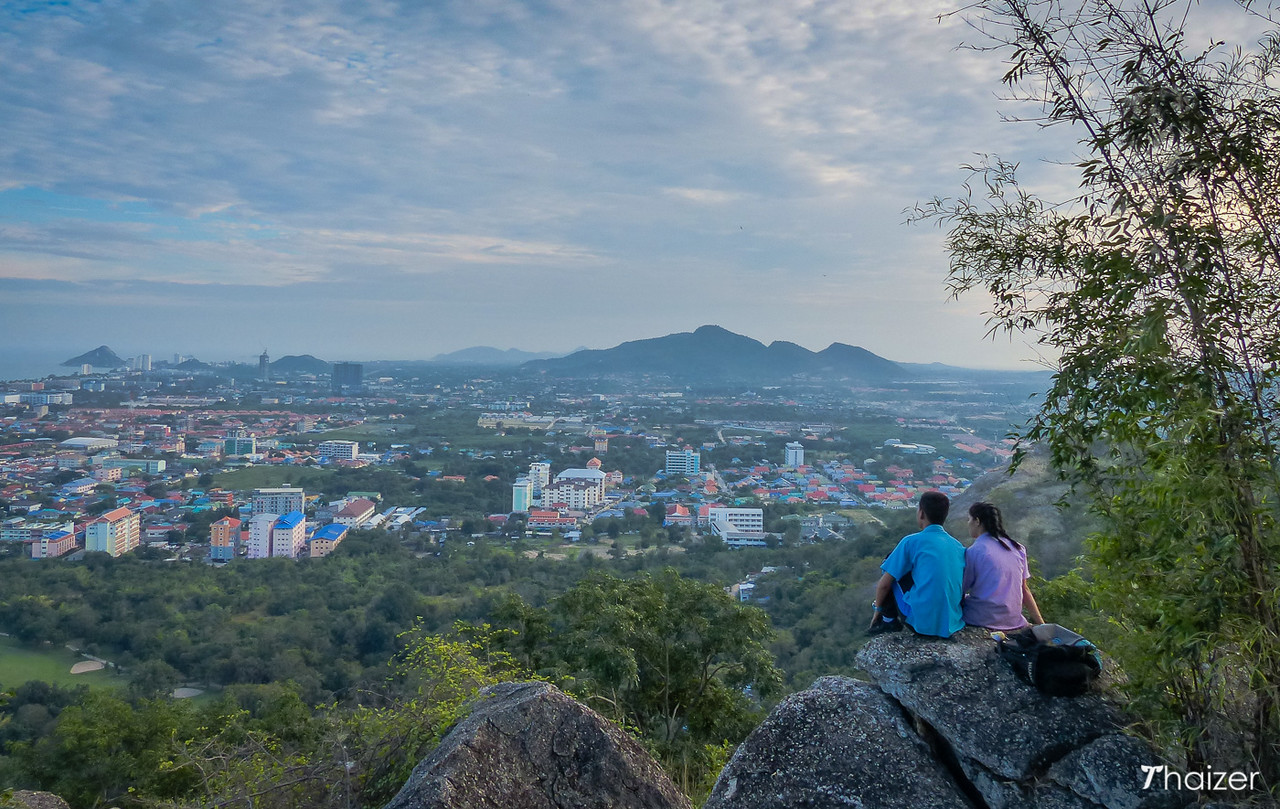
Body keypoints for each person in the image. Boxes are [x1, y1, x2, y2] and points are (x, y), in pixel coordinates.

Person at [868, 490, 966, 638]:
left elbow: (884, 585)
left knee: (890, 563)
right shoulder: (958, 546)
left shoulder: (911, 541)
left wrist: (878, 610)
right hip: (952, 623)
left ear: (921, 513)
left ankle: (888, 621)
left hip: (922, 623)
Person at [961, 501, 1044, 630]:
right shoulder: (1018, 548)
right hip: (1013, 620)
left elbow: (961, 588)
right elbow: (1024, 589)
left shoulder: (975, 551)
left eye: (969, 519)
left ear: (977, 521)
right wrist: (1042, 625)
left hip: (982, 618)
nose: (968, 524)